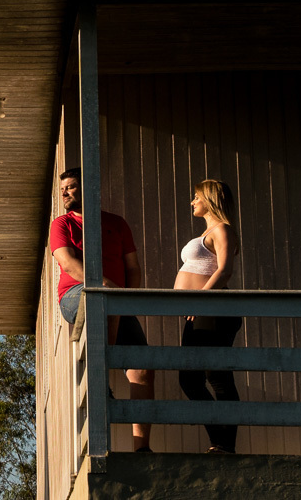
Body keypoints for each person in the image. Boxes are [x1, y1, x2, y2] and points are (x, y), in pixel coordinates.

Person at [49, 167, 153, 452]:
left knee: (142, 368)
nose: (65, 192)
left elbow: (132, 266)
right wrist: (108, 287)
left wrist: (127, 298)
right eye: (63, 189)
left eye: (71, 187)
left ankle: (141, 448)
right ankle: (100, 383)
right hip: (75, 295)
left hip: (117, 301)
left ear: (89, 188)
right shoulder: (62, 224)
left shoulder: (116, 224)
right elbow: (70, 264)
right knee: (99, 300)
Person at [175, 179, 242, 454]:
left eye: (196, 197)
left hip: (213, 311)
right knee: (189, 379)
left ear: (210, 199)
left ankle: (224, 444)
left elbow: (225, 270)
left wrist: (200, 300)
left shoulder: (222, 230)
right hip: (198, 313)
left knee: (218, 377)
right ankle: (219, 440)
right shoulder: (208, 232)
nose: (192, 202)